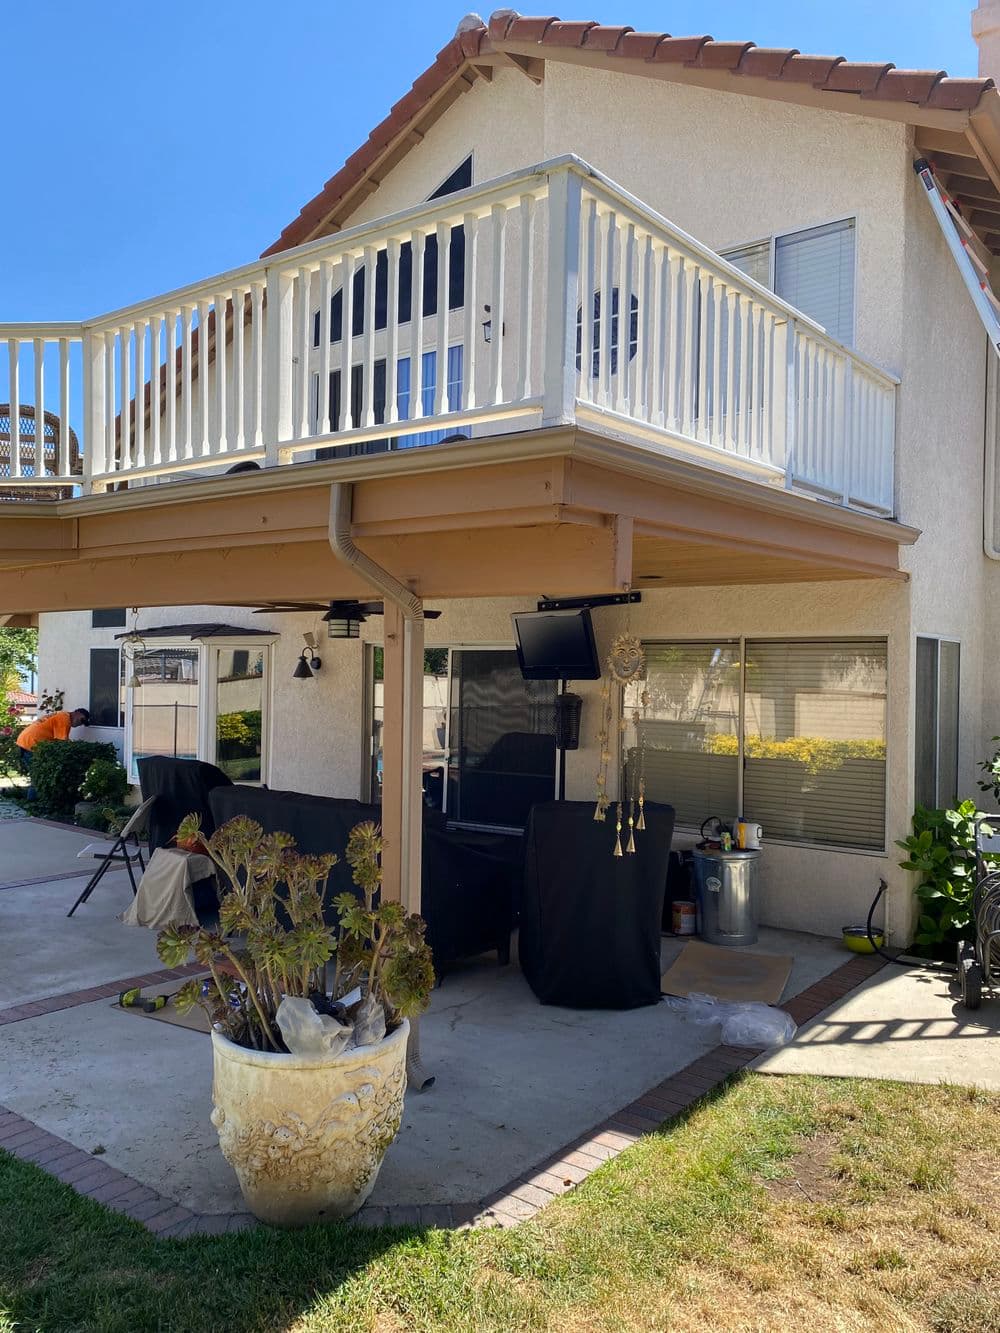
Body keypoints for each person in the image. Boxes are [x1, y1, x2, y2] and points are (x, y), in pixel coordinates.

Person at [16, 707, 91, 799]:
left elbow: (58, 741)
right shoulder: (64, 719)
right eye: (81, 720)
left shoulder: (62, 715)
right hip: (31, 744)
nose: (80, 723)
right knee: (37, 776)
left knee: (38, 775)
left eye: (83, 723)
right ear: (76, 713)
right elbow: (62, 744)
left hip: (26, 741)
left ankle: (35, 801)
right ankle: (33, 803)